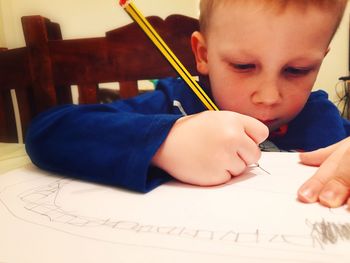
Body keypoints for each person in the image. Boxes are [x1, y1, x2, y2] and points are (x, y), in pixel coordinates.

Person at [26, 0, 350, 207]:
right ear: (203, 55)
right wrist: (164, 140)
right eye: (242, 65)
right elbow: (47, 132)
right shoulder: (176, 102)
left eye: (297, 70)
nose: (268, 96)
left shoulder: (322, 118)